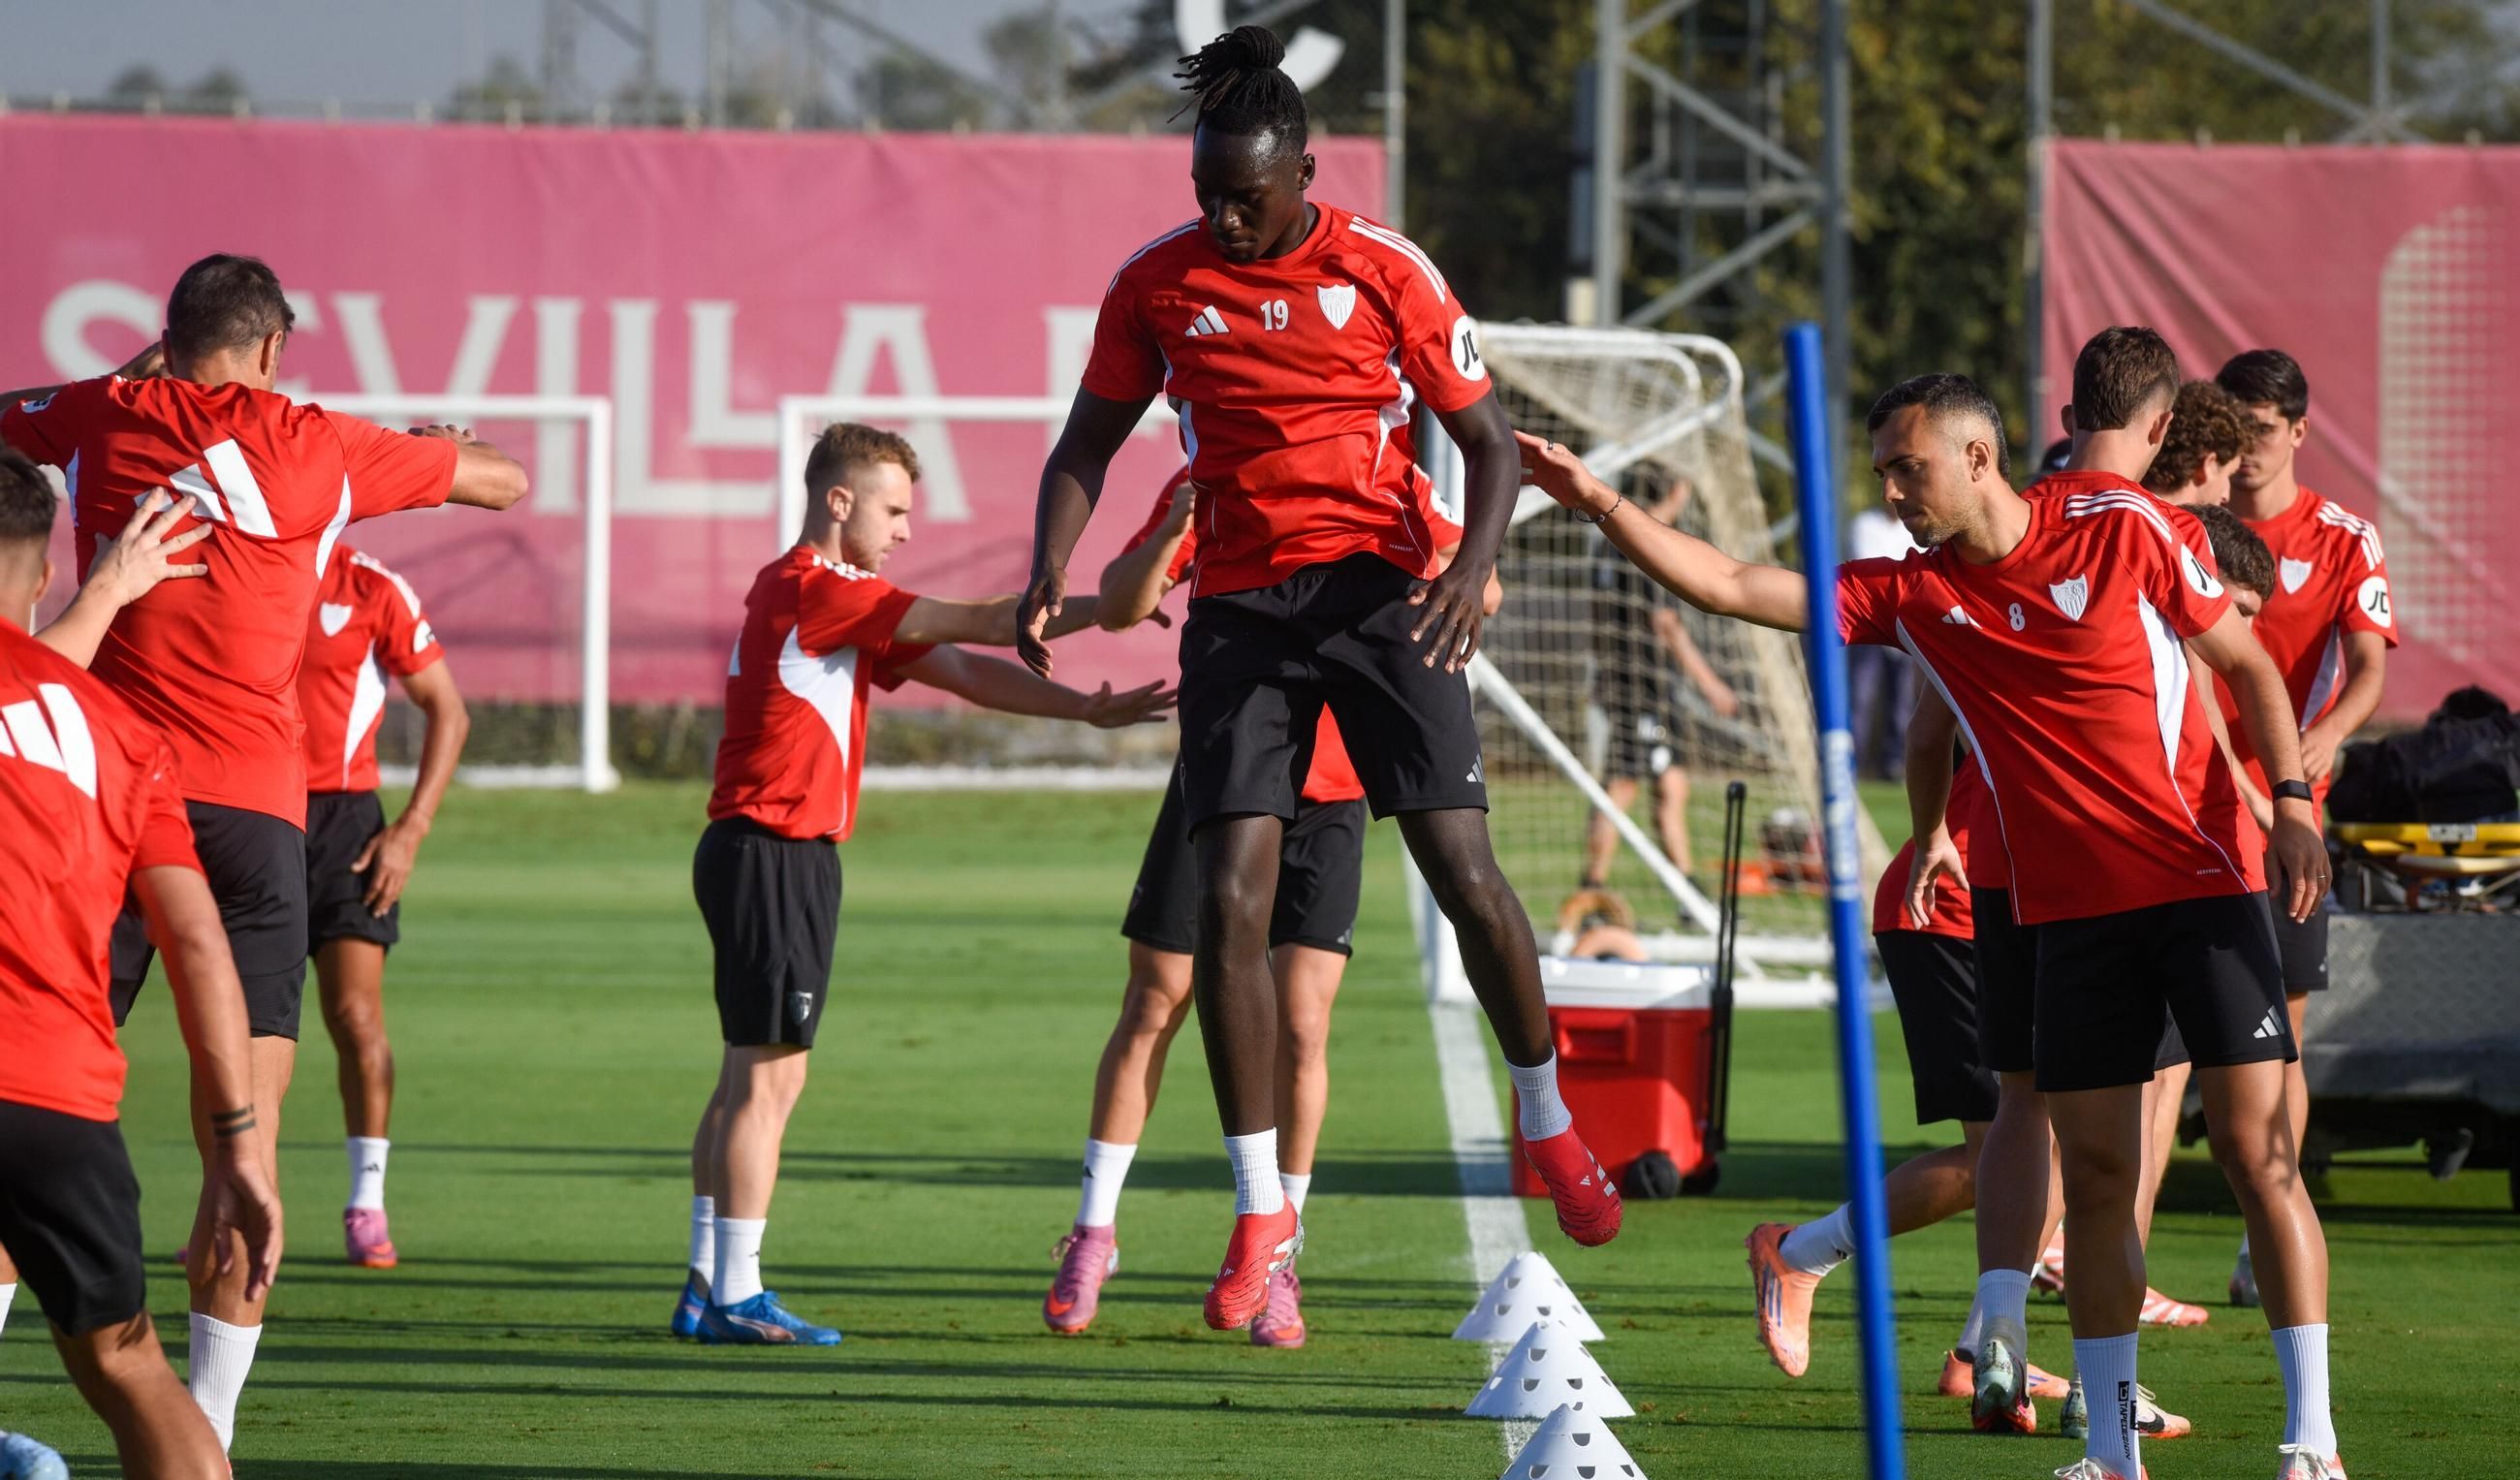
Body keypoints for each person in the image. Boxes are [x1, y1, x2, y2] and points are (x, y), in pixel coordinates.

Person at [1521, 369, 2344, 1480]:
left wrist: (2289, 805)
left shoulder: (2119, 526)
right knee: (2094, 1183)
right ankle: (2108, 1453)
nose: (1893, 492)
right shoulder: (1909, 596)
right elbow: (1725, 583)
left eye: (1907, 469)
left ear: (1974, 458)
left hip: (2199, 888)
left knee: (2259, 1157)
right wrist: (1599, 502)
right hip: (2066, 921)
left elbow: (2244, 663)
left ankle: (2311, 1446)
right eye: (1881, 474)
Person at [1018, 24, 1623, 1333]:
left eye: (1247, 193)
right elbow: (1088, 437)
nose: (1225, 217)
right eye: (1206, 195)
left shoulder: (1383, 267)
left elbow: (1488, 441)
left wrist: (1471, 567)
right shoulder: (1158, 285)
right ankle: (1258, 1213)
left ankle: (1550, 1118)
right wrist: (1044, 562)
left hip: (1381, 594)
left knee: (1464, 868)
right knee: (1228, 905)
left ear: (1303, 171)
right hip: (1241, 610)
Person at [0, 252, 524, 1454]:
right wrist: (419, 442)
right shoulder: (321, 439)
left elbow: (8, 421)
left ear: (164, 336)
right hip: (249, 823)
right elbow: (504, 480)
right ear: (275, 349)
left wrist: (128, 380)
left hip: (104, 805)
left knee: (15, 1100)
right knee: (241, 1148)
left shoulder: (98, 411)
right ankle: (211, 1438)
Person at [677, 424, 1175, 1346]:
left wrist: (1086, 709)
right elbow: (991, 622)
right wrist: (1104, 602)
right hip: (776, 852)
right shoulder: (820, 587)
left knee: (745, 1073)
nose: (905, 529)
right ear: (839, 500)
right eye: (893, 508)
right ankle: (736, 1294)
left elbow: (964, 672)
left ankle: (709, 1280)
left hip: (757, 853)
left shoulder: (829, 599)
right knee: (767, 1083)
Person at [1044, 466, 1498, 1347]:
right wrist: (1175, 525)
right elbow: (1124, 603)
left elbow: (1486, 582)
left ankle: (1277, 1255)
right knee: (1154, 1001)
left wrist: (1445, 569)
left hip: (1330, 793)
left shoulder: (1383, 466)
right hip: (1230, 783)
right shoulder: (1205, 465)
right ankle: (1093, 1232)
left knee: (1302, 1024)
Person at [0, 443, 283, 1480]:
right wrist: (237, 1149)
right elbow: (198, 939)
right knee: (130, 1367)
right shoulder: (119, 730)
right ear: (40, 578)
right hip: (61, 1098)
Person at [1744, 755, 2071, 1416]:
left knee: (2051, 1147)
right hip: (1950, 911)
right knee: (2006, 1151)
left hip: (2017, 916)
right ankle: (1798, 1251)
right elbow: (1928, 722)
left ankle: (1985, 1352)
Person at [2214, 348, 2393, 1309]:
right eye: (2229, 431)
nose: (2244, 452)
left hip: (2286, 820)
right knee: (2157, 1055)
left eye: (2261, 431)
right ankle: (2086, 1249)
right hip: (2188, 811)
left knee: (2280, 1036)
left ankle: (2263, 1235)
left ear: (2296, 431)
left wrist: (2314, 744)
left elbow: (2366, 664)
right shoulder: (2181, 528)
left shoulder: (2341, 536)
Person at [296, 546, 469, 1269]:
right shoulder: (237, 563)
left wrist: (409, 829)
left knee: (355, 1016)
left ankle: (367, 1202)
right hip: (246, 815)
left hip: (345, 829)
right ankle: (226, 1202)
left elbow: (448, 711)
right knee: (232, 1027)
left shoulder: (371, 586)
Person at [1584, 478, 1741, 886]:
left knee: (1671, 785)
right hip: (1642, 685)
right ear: (1675, 491)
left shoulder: (1609, 541)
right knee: (1623, 785)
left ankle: (1685, 888)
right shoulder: (1647, 546)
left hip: (1632, 682)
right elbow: (1666, 624)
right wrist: (1711, 685)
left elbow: (1600, 620)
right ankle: (1593, 886)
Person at [1843, 501, 1917, 779]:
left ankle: (1894, 765)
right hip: (1870, 625)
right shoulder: (1864, 523)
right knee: (1862, 696)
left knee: (1903, 702)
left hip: (1908, 625)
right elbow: (1869, 574)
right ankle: (1853, 763)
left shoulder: (1915, 528)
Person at [2140, 380, 2251, 509]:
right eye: (2229, 475)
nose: (2226, 496)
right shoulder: (2178, 527)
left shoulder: (2117, 506)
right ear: (2209, 465)